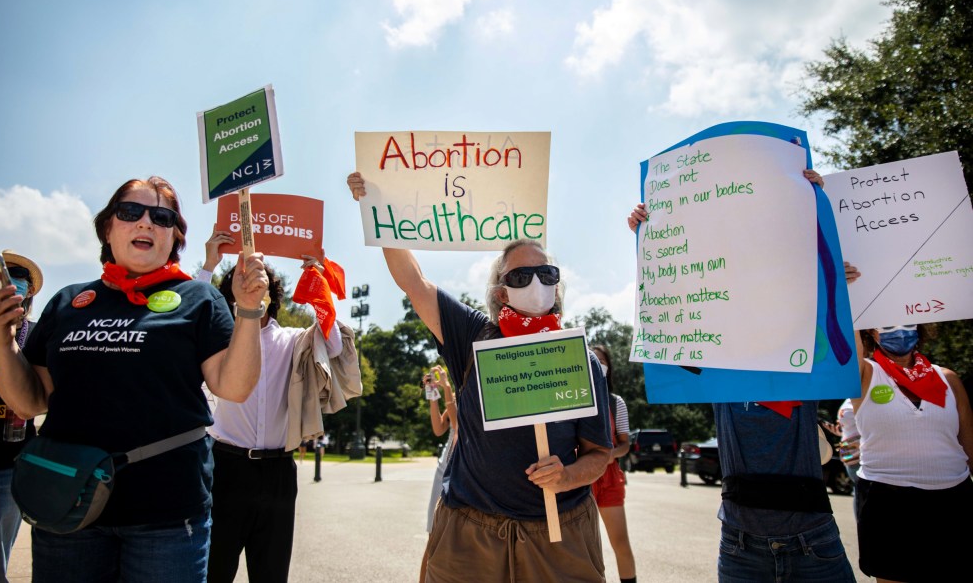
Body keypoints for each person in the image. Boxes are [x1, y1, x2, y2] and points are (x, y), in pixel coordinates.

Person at [0, 176, 268, 583]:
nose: (145, 223)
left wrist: (248, 310)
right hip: (67, 504)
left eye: (162, 216)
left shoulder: (200, 300)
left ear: (175, 236)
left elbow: (235, 387)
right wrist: (1, 335)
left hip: (167, 514)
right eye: (130, 212)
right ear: (108, 228)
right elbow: (29, 402)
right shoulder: (67, 301)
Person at [348, 172, 612, 583]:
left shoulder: (581, 359)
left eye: (547, 274)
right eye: (520, 277)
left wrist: (566, 476)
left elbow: (599, 455)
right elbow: (413, 281)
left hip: (559, 535)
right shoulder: (472, 337)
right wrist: (378, 210)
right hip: (470, 536)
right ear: (501, 292)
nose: (536, 284)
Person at [628, 168, 857, 583]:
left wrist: (822, 228)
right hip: (740, 545)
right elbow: (668, 315)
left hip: (814, 540)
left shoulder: (806, 350)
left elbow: (844, 351)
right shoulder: (715, 356)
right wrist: (650, 235)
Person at [198, 229, 359, 583]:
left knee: (271, 575)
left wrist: (319, 282)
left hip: (278, 473)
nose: (254, 286)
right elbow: (191, 314)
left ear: (272, 295)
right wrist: (209, 265)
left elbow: (332, 346)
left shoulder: (292, 341)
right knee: (212, 573)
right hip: (225, 468)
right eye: (244, 280)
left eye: (262, 282)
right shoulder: (217, 338)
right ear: (232, 294)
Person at [851, 323, 973, 582]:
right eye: (887, 325)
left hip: (952, 501)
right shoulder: (864, 373)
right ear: (870, 332)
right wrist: (847, 293)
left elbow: (969, 443)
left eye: (907, 324)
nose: (899, 331)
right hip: (886, 501)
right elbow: (846, 346)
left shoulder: (948, 378)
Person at [0, 250, 43, 582]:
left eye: (19, 281)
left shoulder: (39, 336)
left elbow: (46, 399)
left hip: (6, 469)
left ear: (28, 293)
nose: (8, 285)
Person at [590, 344, 636, 583]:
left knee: (620, 542)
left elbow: (625, 444)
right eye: (592, 359)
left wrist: (611, 454)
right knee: (585, 548)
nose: (597, 364)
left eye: (601, 360)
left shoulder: (616, 402)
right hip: (581, 480)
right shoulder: (573, 401)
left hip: (609, 478)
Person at [419, 364, 457, 582]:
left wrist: (447, 389)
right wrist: (432, 394)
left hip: (463, 466)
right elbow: (439, 428)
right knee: (433, 532)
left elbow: (459, 425)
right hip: (445, 464)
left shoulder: (465, 393)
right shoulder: (455, 393)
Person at [835, 398, 860, 489]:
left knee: (860, 493)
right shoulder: (851, 400)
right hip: (852, 455)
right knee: (860, 492)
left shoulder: (850, 402)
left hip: (855, 455)